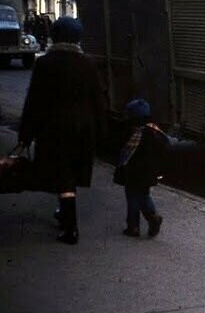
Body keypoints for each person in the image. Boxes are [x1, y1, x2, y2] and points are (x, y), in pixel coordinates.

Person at [18, 17, 105, 244]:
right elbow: (99, 100)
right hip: (83, 128)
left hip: (53, 128)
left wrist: (26, 133)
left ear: (55, 35)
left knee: (62, 174)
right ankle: (63, 213)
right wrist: (100, 129)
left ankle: (70, 228)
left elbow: (34, 100)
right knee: (71, 173)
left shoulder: (46, 63)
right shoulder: (89, 63)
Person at [114, 98, 168, 238]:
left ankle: (133, 227)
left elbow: (124, 153)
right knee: (144, 195)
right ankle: (153, 217)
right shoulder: (155, 131)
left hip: (134, 172)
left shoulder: (134, 133)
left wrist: (120, 168)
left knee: (132, 197)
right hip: (150, 173)